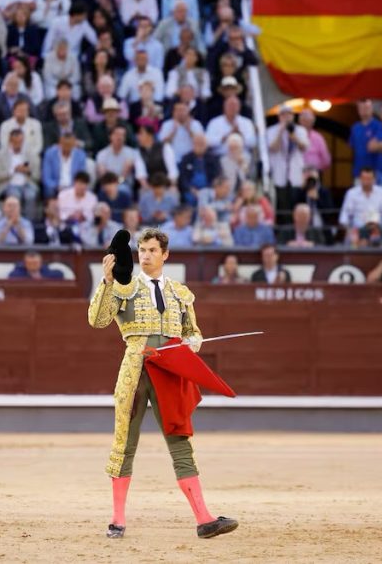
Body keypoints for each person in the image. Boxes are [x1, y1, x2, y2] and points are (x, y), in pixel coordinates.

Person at [87, 228, 238, 540]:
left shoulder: (179, 293)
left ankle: (204, 519)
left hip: (169, 371)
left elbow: (192, 331)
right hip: (136, 369)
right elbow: (97, 320)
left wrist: (192, 342)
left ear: (165, 254)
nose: (145, 255)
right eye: (142, 250)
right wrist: (107, 281)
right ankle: (117, 520)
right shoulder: (124, 286)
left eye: (153, 250)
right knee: (125, 443)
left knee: (179, 440)